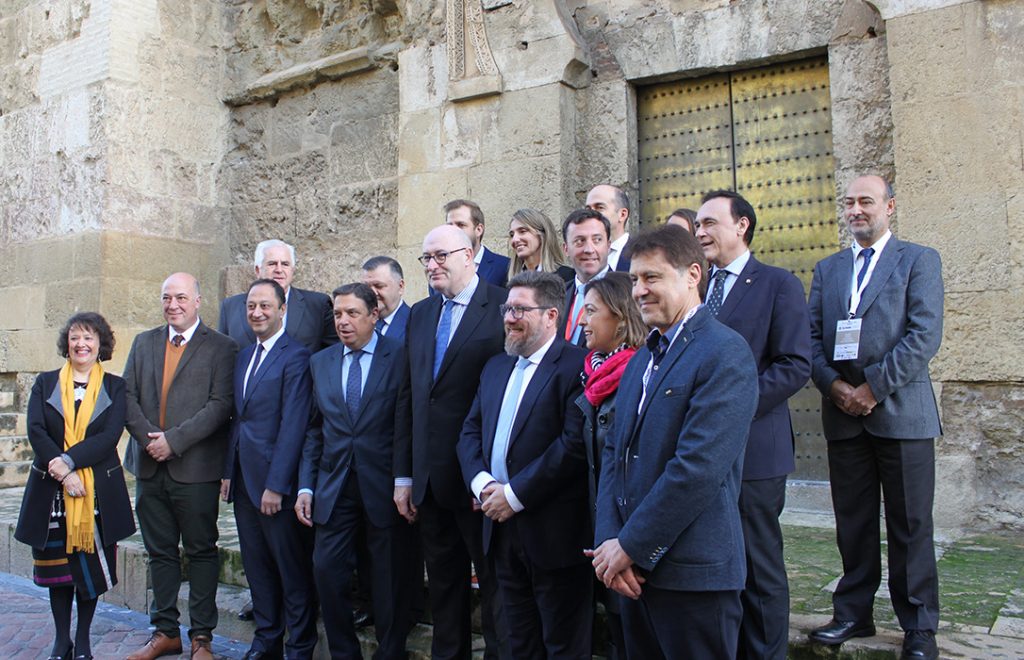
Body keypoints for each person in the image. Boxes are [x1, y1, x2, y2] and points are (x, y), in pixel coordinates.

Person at [592, 224, 758, 659]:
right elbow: (614, 454)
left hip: (691, 577)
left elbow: (697, 469)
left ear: (692, 275)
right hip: (631, 577)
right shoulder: (642, 359)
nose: (639, 290)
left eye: (652, 277)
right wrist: (610, 543)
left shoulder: (724, 352)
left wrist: (629, 546)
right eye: (634, 279)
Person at [807, 175, 943, 660]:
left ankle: (919, 626)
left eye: (866, 201)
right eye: (849, 202)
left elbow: (924, 336)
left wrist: (872, 388)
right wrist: (835, 387)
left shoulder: (918, 260)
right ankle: (853, 613)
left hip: (902, 415)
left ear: (890, 206)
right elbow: (811, 339)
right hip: (844, 416)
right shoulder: (828, 269)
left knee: (910, 524)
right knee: (854, 522)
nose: (856, 210)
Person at [694, 191, 812, 660]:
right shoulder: (696, 286)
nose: (700, 232)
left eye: (709, 222)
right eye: (697, 225)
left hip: (756, 452)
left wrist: (732, 406)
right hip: (702, 451)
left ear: (742, 225)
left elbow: (794, 364)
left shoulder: (778, 284)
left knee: (759, 567)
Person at [457, 271, 592, 658]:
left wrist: (513, 495)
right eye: (507, 308)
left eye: (520, 309)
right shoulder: (495, 367)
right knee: (518, 644)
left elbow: (572, 446)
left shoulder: (577, 366)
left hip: (553, 534)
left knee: (563, 646)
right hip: (499, 529)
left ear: (551, 315)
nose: (509, 318)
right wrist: (484, 485)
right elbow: (469, 432)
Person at [393, 225, 509, 660]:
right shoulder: (422, 313)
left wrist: (494, 477)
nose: (432, 265)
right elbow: (410, 397)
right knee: (444, 590)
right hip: (430, 481)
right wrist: (404, 476)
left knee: (497, 589)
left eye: (440, 256)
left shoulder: (502, 306)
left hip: (482, 482)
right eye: (426, 258)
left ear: (469, 256)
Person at [122, 273, 237, 660]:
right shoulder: (144, 342)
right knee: (160, 552)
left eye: (181, 297)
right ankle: (165, 631)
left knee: (202, 551)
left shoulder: (221, 347)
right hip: (149, 467)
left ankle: (201, 637)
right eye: (167, 297)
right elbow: (127, 396)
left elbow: (220, 405)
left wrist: (174, 441)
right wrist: (150, 441)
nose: (173, 305)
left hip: (196, 469)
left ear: (198, 301)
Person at [296, 283, 414, 659]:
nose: (343, 322)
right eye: (337, 314)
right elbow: (314, 430)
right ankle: (345, 653)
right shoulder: (321, 362)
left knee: (388, 578)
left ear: (374, 315)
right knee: (326, 571)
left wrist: (404, 479)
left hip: (385, 486)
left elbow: (406, 424)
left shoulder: (401, 357)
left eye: (352, 313)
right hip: (334, 485)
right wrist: (306, 487)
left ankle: (390, 653)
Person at [15, 312, 135, 660]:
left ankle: (82, 642)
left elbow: (109, 436)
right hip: (53, 493)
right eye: (75, 338)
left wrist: (68, 461)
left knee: (88, 570)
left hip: (96, 494)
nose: (81, 344)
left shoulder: (115, 386)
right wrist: (64, 473)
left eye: (88, 338)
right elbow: (36, 430)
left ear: (100, 344)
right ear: (66, 344)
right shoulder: (45, 382)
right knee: (58, 571)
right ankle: (61, 640)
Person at [222, 278, 318, 660]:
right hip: (244, 481)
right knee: (257, 568)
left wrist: (277, 485)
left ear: (282, 310)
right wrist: (228, 471)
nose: (257, 312)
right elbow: (239, 419)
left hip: (276, 486)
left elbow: (295, 424)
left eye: (265, 305)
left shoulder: (297, 357)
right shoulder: (244, 355)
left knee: (290, 570)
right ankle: (266, 642)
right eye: (251, 306)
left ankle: (300, 647)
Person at [574, 271, 647, 659]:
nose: (581, 321)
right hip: (603, 535)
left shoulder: (640, 373)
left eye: (590, 311)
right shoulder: (592, 372)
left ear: (619, 317)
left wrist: (624, 543)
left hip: (630, 542)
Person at [219, 238, 336, 352]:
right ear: (257, 270)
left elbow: (333, 354)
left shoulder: (318, 305)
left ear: (292, 270)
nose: (279, 270)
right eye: (272, 264)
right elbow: (222, 352)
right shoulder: (231, 306)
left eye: (285, 264)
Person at [560, 208, 612, 348]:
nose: (589, 249)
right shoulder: (557, 295)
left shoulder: (626, 293)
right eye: (579, 241)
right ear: (566, 249)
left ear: (608, 246)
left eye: (597, 240)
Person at [445, 199, 510, 288]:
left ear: (479, 230)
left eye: (461, 225)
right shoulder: (439, 268)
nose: (454, 230)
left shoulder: (504, 267)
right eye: (449, 226)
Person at [506, 208, 574, 284]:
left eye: (522, 231)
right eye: (512, 235)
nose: (515, 239)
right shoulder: (508, 281)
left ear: (542, 235)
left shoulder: (567, 277)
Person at [585, 184, 632, 272]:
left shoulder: (641, 254)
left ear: (622, 214)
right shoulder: (582, 253)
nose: (591, 214)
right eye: (588, 209)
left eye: (600, 208)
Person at [363, 256, 411, 340]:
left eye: (379, 286)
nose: (372, 293)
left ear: (400, 286)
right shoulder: (358, 324)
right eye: (366, 287)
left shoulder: (415, 324)